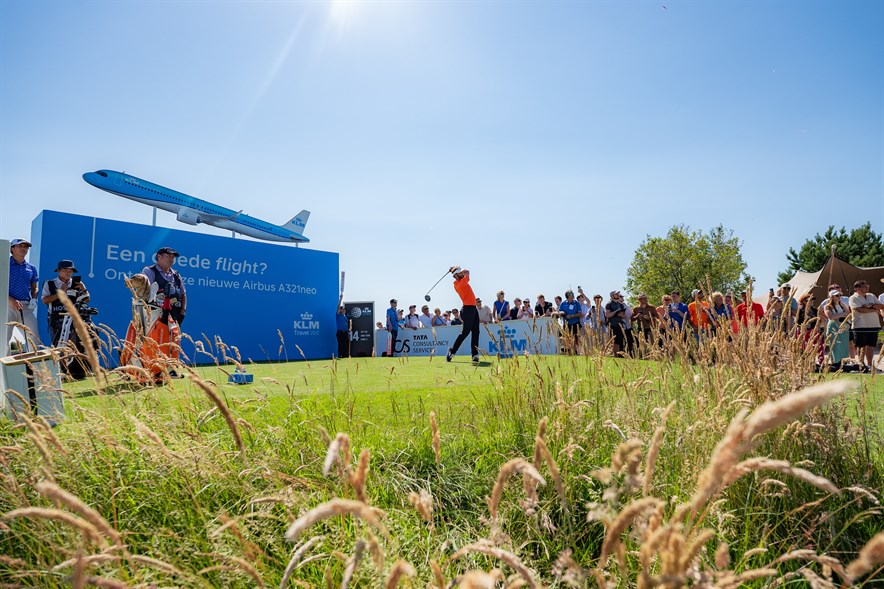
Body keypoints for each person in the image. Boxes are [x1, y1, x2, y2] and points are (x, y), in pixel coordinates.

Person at [41, 259, 95, 378]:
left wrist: (83, 289)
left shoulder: (77, 283)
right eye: (65, 270)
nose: (68, 273)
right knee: (58, 346)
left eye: (70, 270)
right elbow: (45, 300)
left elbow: (87, 299)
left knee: (77, 344)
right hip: (56, 318)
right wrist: (62, 292)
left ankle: (76, 371)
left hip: (74, 318)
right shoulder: (49, 283)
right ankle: (59, 372)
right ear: (59, 271)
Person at [7, 238, 42, 350]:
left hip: (26, 307)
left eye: (25, 246)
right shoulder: (4, 264)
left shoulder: (31, 268)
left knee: (34, 338)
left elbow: (34, 287)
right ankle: (3, 367)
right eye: (20, 246)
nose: (23, 248)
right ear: (12, 248)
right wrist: (10, 299)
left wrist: (34, 299)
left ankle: (34, 367)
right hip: (6, 305)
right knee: (3, 338)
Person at [142, 247, 187, 325]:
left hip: (174, 318)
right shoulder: (149, 271)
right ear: (159, 257)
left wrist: (183, 312)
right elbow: (147, 294)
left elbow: (183, 295)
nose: (171, 259)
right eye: (168, 256)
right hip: (155, 318)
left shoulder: (176, 275)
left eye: (173, 257)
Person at [848, 280, 883, 373]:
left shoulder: (871, 295)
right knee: (860, 346)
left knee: (871, 346)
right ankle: (861, 365)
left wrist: (871, 306)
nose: (867, 287)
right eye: (864, 286)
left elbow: (881, 306)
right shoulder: (853, 298)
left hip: (874, 325)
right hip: (860, 326)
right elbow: (859, 309)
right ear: (857, 288)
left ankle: (870, 365)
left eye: (867, 285)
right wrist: (874, 309)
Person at [446, 267, 480, 363]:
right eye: (459, 273)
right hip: (467, 310)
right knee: (465, 332)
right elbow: (468, 271)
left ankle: (475, 355)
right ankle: (452, 352)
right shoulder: (460, 284)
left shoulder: (460, 281)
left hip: (473, 309)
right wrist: (456, 268)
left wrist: (454, 269)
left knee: (476, 332)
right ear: (456, 276)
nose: (462, 273)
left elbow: (464, 273)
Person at [823, 289, 850, 369]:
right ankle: (836, 362)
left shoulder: (842, 304)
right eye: (837, 295)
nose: (839, 297)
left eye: (840, 295)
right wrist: (842, 314)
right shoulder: (827, 306)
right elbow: (830, 316)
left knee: (844, 345)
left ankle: (844, 362)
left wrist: (843, 311)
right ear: (832, 297)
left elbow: (848, 313)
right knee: (835, 345)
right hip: (833, 327)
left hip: (843, 327)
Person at [604, 290, 627, 357]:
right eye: (616, 294)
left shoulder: (621, 305)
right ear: (612, 296)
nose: (618, 295)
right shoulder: (609, 304)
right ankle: (611, 354)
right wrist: (616, 312)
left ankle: (616, 355)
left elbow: (624, 316)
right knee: (612, 340)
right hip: (612, 324)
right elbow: (607, 315)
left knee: (618, 340)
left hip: (620, 324)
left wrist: (621, 315)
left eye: (618, 294)